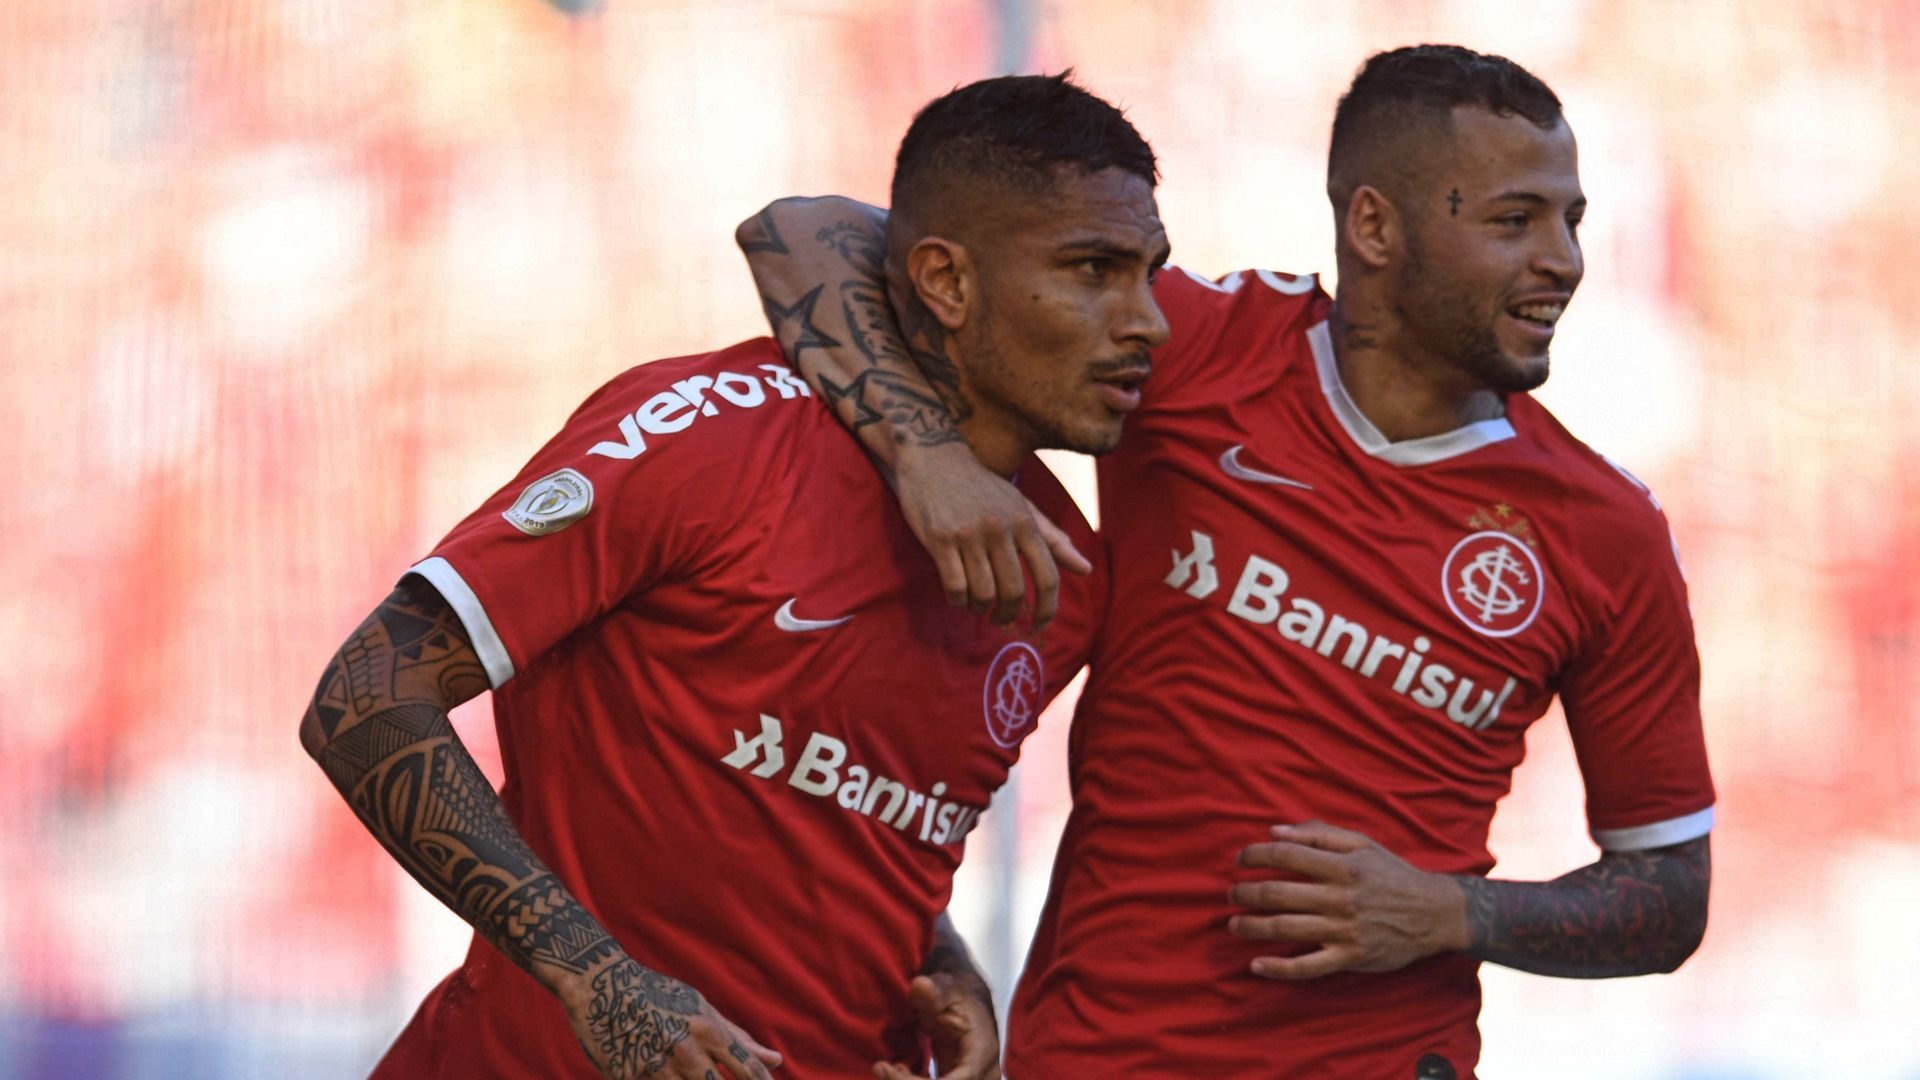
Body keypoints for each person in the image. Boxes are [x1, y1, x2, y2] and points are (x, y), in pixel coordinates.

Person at [736, 45, 1714, 1079]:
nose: (1563, 258)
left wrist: (1449, 910)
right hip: (1095, 1057)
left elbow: (1669, 895)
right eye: (1515, 221)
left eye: (1573, 220)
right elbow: (802, 231)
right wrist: (926, 456)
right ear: (1375, 226)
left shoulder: (1607, 533)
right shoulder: (1194, 352)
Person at [298, 72, 1170, 1080]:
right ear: (946, 281)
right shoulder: (708, 439)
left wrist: (949, 972)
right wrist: (595, 979)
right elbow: (364, 696)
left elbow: (851, 828)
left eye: (1150, 272)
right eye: (1094, 269)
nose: (1146, 320)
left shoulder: (1064, 578)